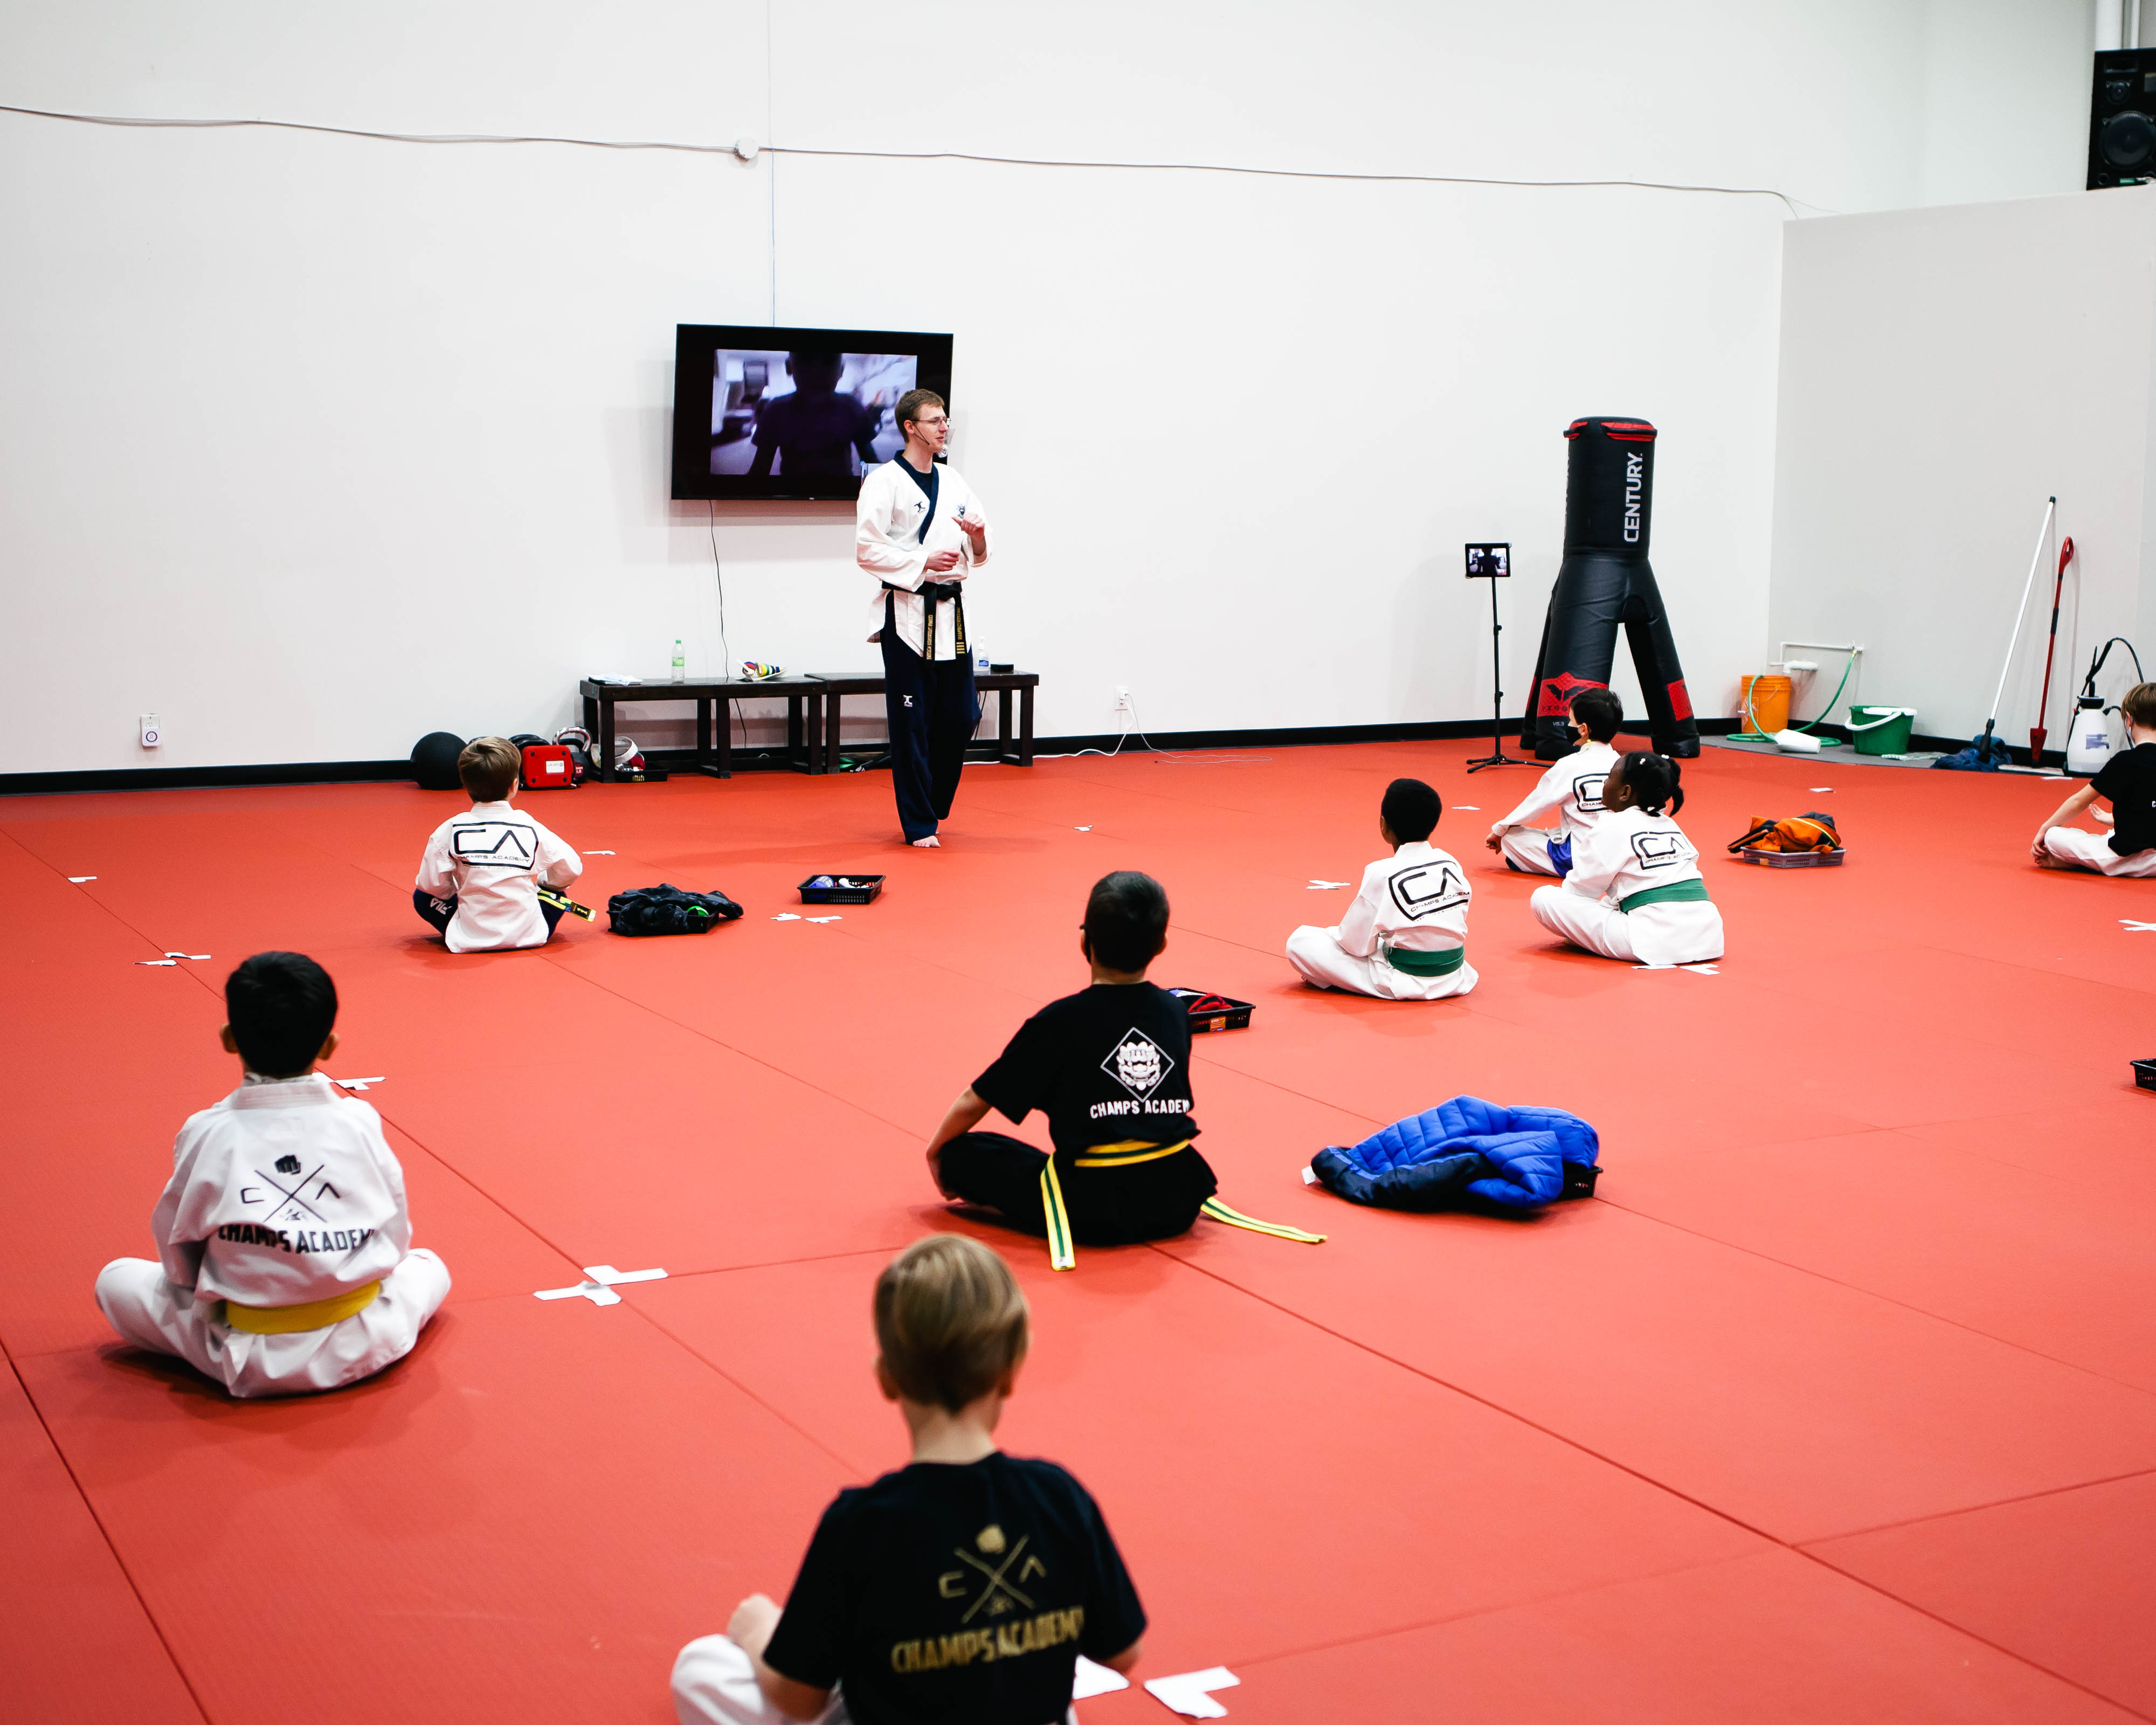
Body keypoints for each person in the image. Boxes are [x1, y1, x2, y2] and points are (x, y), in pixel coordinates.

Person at [671, 1234, 1145, 1725]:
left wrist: (759, 1635)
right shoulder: (1058, 1496)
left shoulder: (862, 1523)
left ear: (887, 1379)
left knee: (702, 1667)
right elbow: (1123, 1654)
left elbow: (798, 1699)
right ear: (1010, 1372)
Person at [93, 952, 451, 1399]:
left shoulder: (207, 1132)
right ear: (329, 1046)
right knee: (429, 1265)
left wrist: (219, 1286)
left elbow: (177, 1251)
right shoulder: (358, 1120)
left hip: (249, 1348)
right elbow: (395, 1236)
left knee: (115, 1280)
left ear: (228, 1039)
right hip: (365, 1334)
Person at [855, 389, 992, 848]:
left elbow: (982, 553)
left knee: (961, 716)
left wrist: (978, 538)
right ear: (911, 428)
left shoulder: (954, 480)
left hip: (952, 612)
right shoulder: (884, 482)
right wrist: (920, 563)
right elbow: (867, 550)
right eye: (935, 421)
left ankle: (933, 802)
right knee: (911, 723)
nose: (944, 427)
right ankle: (918, 824)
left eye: (946, 420)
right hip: (908, 612)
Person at [1286, 778, 1477, 1000]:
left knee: (1300, 942)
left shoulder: (1382, 871)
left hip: (1403, 979)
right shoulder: (1451, 863)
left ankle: (1327, 977)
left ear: (1383, 826)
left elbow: (1354, 946)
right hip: (1454, 974)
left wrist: (1330, 933)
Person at [1530, 751, 1724, 965]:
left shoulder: (1610, 825)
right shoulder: (1670, 824)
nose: (1605, 782)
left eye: (1610, 777)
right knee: (1613, 902)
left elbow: (1580, 892)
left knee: (1544, 898)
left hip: (1654, 942)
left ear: (1625, 792)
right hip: (1709, 936)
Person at [413, 736, 583, 951]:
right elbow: (572, 868)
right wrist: (544, 885)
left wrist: (455, 890)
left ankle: (470, 930)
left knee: (422, 898)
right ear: (514, 785)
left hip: (469, 935)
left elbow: (431, 886)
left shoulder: (450, 828)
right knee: (557, 895)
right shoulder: (529, 825)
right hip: (530, 933)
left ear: (465, 785)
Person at [1486, 687, 1624, 876]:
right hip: (1619, 854)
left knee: (1511, 838)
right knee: (1562, 830)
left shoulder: (1569, 765)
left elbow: (1535, 805)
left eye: (1570, 721)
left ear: (1583, 730)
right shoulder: (1624, 765)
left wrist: (1500, 830)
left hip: (1579, 859)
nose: (1568, 725)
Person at [2033, 681, 2156, 876]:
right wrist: (2114, 820)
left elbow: (2079, 801)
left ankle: (2081, 864)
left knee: (2054, 837)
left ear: (2129, 720)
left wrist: (2045, 828)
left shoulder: (2124, 761)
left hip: (2124, 857)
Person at [749, 352, 881, 482]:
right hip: (816, 495)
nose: (816, 372)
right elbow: (870, 461)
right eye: (805, 361)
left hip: (799, 495)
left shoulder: (851, 407)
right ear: (789, 367)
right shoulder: (775, 410)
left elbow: (759, 471)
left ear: (841, 370)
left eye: (828, 362)